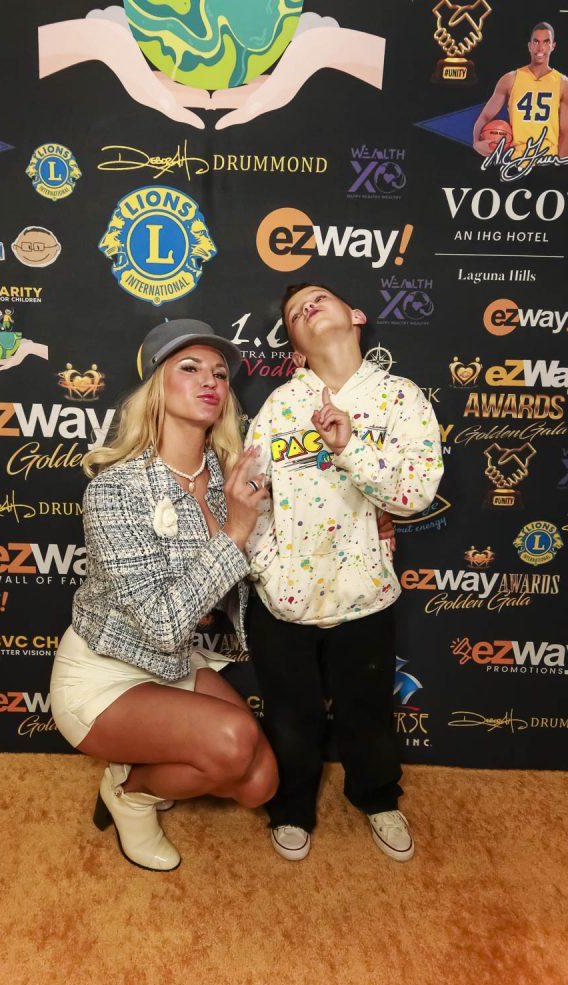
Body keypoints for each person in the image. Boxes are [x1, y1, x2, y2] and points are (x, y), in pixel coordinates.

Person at [50, 319, 278, 872]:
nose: (210, 381)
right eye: (190, 368)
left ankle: (142, 766)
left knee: (260, 784)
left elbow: (275, 552)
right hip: (105, 673)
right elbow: (162, 623)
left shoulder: (228, 480)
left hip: (172, 664)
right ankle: (129, 794)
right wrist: (236, 531)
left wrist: (368, 518)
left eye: (220, 374)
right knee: (232, 741)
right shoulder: (115, 489)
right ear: (157, 386)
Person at [245, 284, 444, 863]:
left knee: (368, 711)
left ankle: (377, 797)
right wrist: (266, 567)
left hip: (365, 595)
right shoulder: (280, 405)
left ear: (356, 316)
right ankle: (291, 807)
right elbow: (251, 496)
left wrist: (351, 447)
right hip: (284, 598)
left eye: (319, 298)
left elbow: (414, 494)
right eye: (294, 312)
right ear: (295, 347)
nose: (307, 307)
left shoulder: (401, 398)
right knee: (290, 715)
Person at [473, 22, 568, 158]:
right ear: (529, 46)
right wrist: (476, 142)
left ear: (553, 46)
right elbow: (485, 116)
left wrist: (559, 166)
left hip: (547, 159)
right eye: (536, 41)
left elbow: (565, 132)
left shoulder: (563, 83)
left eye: (546, 42)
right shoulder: (510, 79)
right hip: (516, 160)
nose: (540, 47)